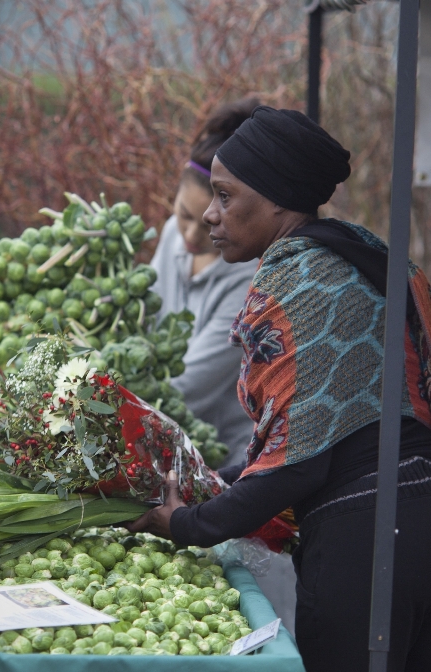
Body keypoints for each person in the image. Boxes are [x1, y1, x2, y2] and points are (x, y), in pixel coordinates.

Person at [128, 106, 431, 671]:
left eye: (224, 196)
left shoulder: (295, 283)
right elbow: (329, 431)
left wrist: (189, 524)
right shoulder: (362, 256)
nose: (212, 216)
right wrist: (224, 485)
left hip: (365, 546)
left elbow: (300, 461)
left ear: (275, 200)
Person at [150, 98, 260, 467]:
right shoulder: (171, 236)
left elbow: (186, 389)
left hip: (227, 459)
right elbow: (144, 322)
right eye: (183, 215)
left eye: (207, 222)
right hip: (165, 441)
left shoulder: (249, 279)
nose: (191, 236)